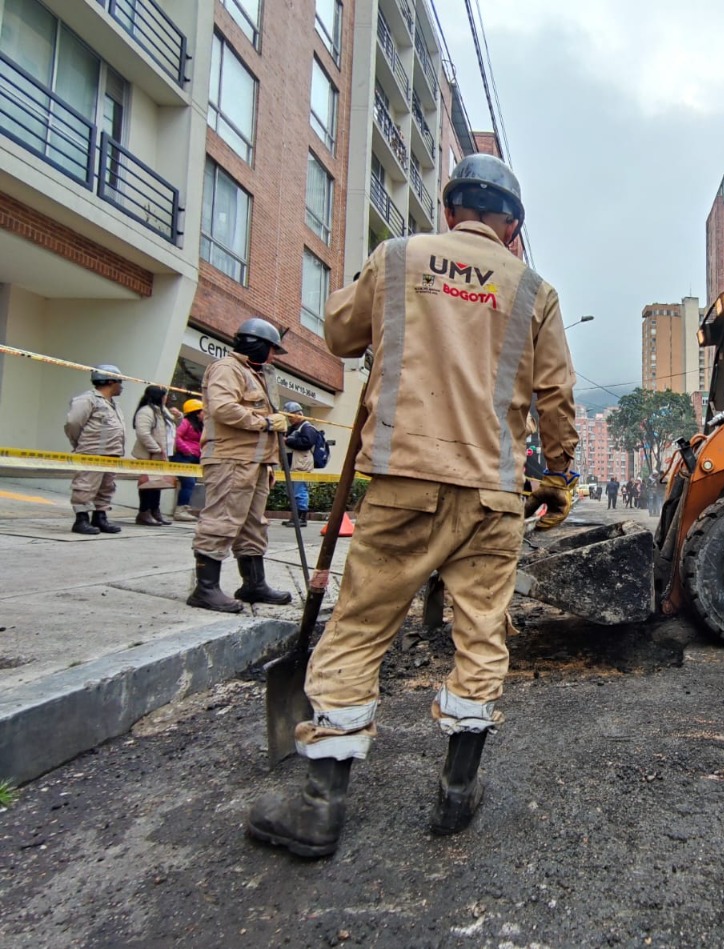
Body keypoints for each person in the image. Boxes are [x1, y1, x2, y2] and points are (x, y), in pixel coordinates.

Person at [247, 153, 578, 859]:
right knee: (482, 632)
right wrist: (559, 474)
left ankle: (319, 806)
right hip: (491, 493)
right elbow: (556, 398)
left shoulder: (399, 258)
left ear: (451, 208)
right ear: (513, 225)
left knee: (361, 627)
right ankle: (457, 794)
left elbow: (339, 334)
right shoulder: (534, 289)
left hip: (401, 480)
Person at [186, 318, 294, 613]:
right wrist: (265, 422)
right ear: (255, 344)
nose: (273, 357)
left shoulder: (258, 375)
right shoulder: (227, 369)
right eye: (272, 350)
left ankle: (253, 585)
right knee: (222, 520)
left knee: (253, 525)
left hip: (256, 462)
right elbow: (223, 409)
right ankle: (205, 589)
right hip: (231, 459)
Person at [64, 364, 126, 535]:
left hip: (112, 453)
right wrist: (80, 445)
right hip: (92, 452)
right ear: (111, 381)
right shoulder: (87, 400)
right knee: (85, 486)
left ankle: (100, 517)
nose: (122, 386)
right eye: (120, 382)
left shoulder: (112, 404)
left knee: (107, 486)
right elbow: (73, 424)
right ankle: (81, 519)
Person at [132, 385, 177, 526]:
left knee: (157, 484)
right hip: (150, 455)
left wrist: (179, 416)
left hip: (161, 455)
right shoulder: (146, 411)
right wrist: (156, 449)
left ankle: (155, 511)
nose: (166, 398)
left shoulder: (161, 411)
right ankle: (144, 512)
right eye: (164, 395)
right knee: (148, 484)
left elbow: (174, 425)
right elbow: (143, 433)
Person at [280, 401, 316, 528]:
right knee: (292, 491)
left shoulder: (307, 427)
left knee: (299, 491)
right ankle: (295, 517)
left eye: (291, 416)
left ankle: (301, 518)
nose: (289, 419)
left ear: (299, 414)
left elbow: (307, 442)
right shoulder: (294, 428)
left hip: (300, 463)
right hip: (292, 463)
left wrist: (288, 440)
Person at [171, 399, 204, 522]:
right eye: (202, 412)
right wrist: (186, 449)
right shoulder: (185, 422)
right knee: (188, 483)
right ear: (196, 413)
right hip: (184, 457)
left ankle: (184, 509)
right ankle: (180, 510)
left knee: (191, 484)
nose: (204, 414)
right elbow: (177, 436)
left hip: (195, 458)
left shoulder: (200, 426)